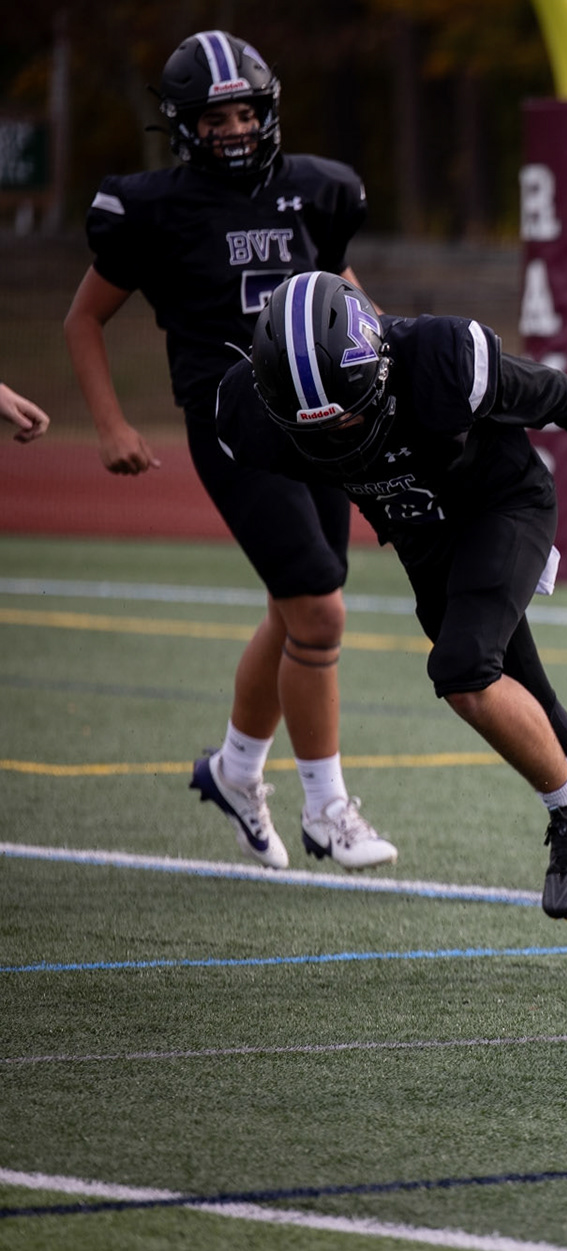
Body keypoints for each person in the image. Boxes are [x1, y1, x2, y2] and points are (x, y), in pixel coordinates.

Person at [219, 271, 567, 980]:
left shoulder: (440, 359)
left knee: (465, 670)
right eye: (317, 424)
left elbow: (557, 395)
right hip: (426, 540)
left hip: (505, 508)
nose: (342, 430)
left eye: (350, 411)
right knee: (530, 701)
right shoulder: (250, 413)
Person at [57, 31, 391, 871]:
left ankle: (236, 770)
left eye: (246, 112)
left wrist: (384, 355)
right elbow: (83, 317)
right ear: (183, 127)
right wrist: (111, 425)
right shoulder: (156, 207)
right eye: (216, 118)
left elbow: (339, 290)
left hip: (318, 416)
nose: (235, 129)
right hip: (229, 414)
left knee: (295, 607)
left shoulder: (317, 190)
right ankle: (327, 808)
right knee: (317, 605)